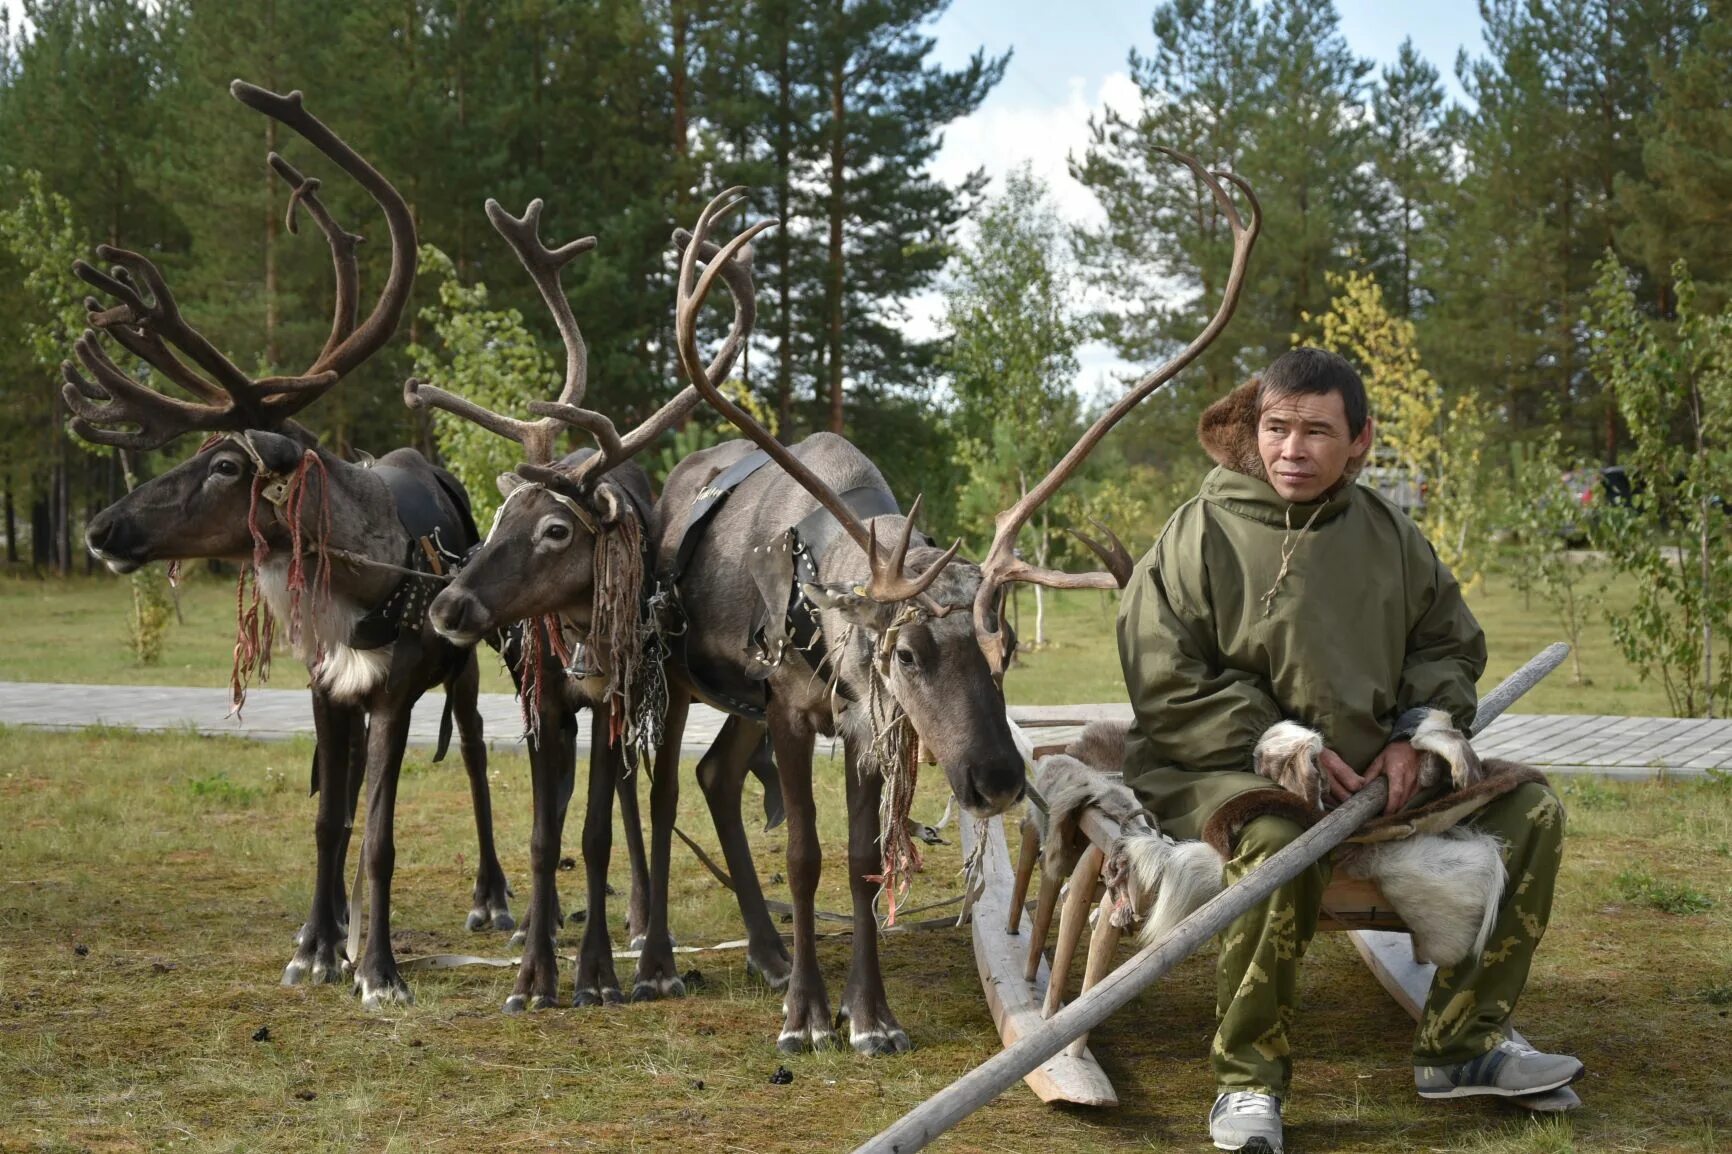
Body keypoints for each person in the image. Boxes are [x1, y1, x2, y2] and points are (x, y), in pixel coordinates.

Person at [1116, 348, 1580, 1154]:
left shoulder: (1391, 536)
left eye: (1316, 432)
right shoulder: (1198, 531)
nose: (1291, 450)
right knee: (1275, 840)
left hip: (1377, 778)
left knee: (1531, 808)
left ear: (1360, 439)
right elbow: (1164, 676)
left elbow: (1445, 645)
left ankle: (1463, 1044)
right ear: (1251, 428)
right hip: (1218, 765)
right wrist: (1279, 743)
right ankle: (1249, 1080)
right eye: (1276, 428)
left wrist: (1418, 736)